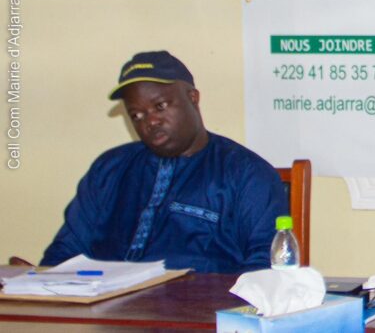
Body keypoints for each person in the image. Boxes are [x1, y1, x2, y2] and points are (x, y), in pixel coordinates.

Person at [41, 51, 288, 273]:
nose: (150, 121)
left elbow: (265, 267)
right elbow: (64, 253)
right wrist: (43, 283)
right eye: (137, 115)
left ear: (193, 98)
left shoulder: (246, 174)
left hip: (198, 306)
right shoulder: (109, 169)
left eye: (160, 106)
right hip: (106, 306)